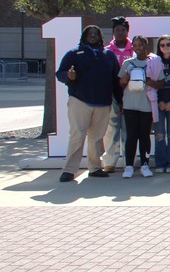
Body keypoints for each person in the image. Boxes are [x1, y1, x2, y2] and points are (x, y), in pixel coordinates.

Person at [55, 25, 120, 182]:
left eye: (95, 34)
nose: (92, 36)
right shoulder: (74, 53)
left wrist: (120, 100)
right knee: (77, 136)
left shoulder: (108, 55)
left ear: (100, 36)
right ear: (84, 36)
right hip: (80, 101)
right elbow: (60, 73)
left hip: (103, 103)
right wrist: (69, 76)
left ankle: (95, 167)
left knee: (97, 138)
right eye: (89, 34)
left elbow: (116, 80)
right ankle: (69, 170)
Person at [118, 35, 159, 178]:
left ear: (145, 45)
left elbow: (161, 83)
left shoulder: (153, 63)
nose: (138, 48)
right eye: (135, 46)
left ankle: (145, 165)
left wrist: (150, 82)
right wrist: (127, 76)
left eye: (140, 45)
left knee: (144, 136)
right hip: (130, 105)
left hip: (146, 106)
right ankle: (129, 166)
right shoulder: (128, 63)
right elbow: (121, 83)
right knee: (131, 136)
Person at [101, 16, 133, 173]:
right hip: (112, 93)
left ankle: (129, 161)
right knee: (111, 128)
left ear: (127, 31)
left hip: (131, 94)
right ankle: (109, 162)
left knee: (128, 128)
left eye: (123, 30)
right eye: (117, 30)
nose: (120, 33)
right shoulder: (106, 51)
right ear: (113, 32)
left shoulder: (135, 50)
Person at [152, 35, 170, 173]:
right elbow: (151, 84)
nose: (165, 47)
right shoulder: (155, 62)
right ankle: (160, 163)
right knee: (159, 134)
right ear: (159, 47)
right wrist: (160, 101)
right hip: (158, 103)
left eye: (168, 44)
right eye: (162, 45)